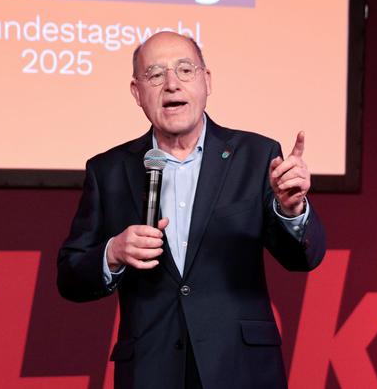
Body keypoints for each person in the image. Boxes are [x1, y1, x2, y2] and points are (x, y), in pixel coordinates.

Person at [56, 31, 326, 388]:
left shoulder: (257, 156)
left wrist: (291, 210)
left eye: (185, 70)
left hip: (240, 368)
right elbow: (70, 276)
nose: (172, 84)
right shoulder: (109, 170)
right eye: (155, 74)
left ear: (206, 81)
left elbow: (303, 258)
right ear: (137, 92)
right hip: (150, 371)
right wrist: (113, 253)